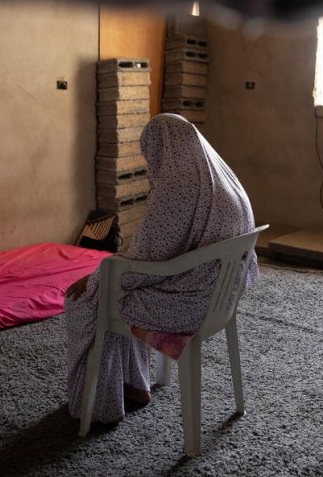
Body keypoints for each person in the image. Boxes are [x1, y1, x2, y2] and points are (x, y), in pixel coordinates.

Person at [64, 112, 258, 424]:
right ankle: (134, 384)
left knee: (90, 298)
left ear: (159, 148)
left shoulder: (177, 189)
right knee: (117, 286)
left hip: (187, 303)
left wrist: (95, 276)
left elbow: (141, 263)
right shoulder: (224, 179)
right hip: (221, 295)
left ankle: (99, 404)